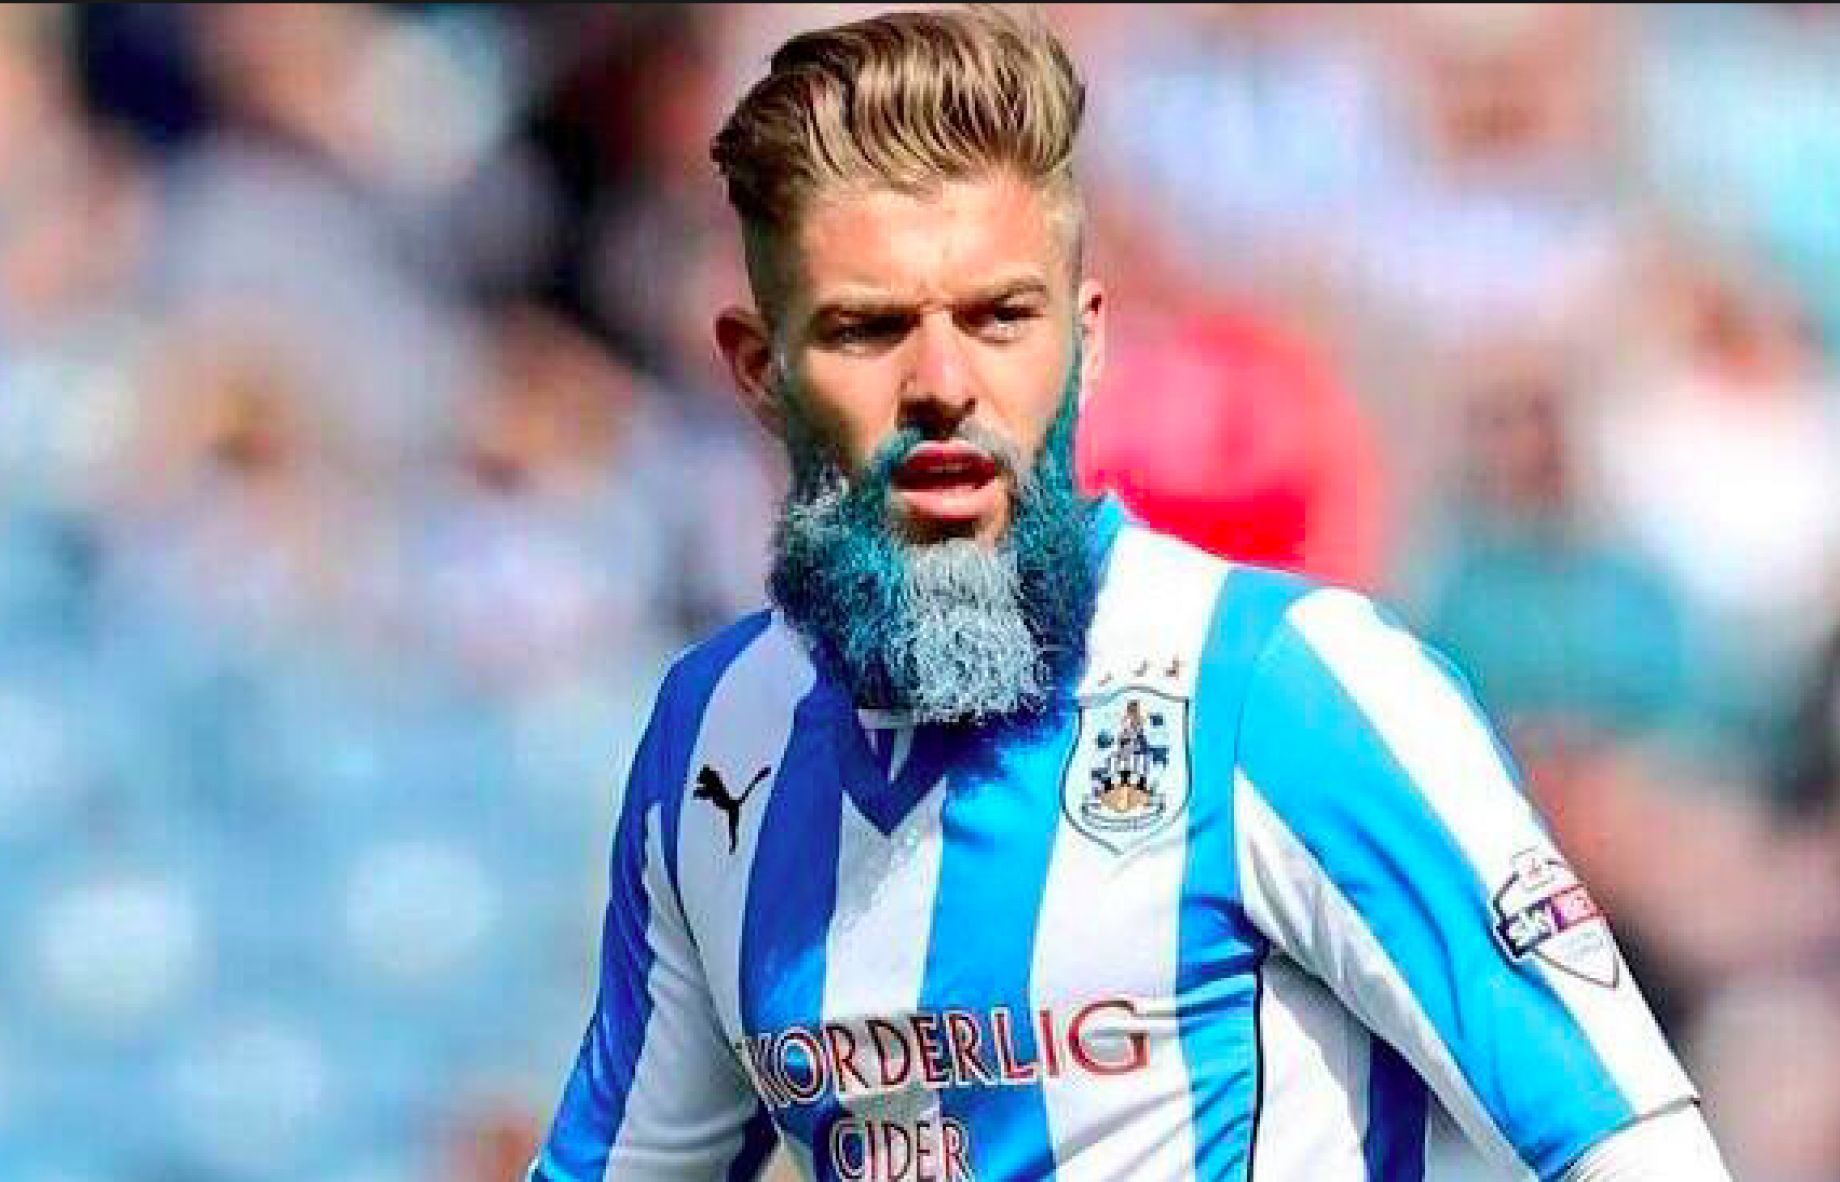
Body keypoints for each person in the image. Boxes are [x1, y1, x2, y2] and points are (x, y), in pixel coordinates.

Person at [528, 7, 1730, 1180]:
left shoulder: (1288, 690)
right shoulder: (712, 743)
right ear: (757, 370)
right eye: (867, 329)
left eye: (1000, 318)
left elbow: (1633, 1149)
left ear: (1089, 340)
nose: (942, 383)